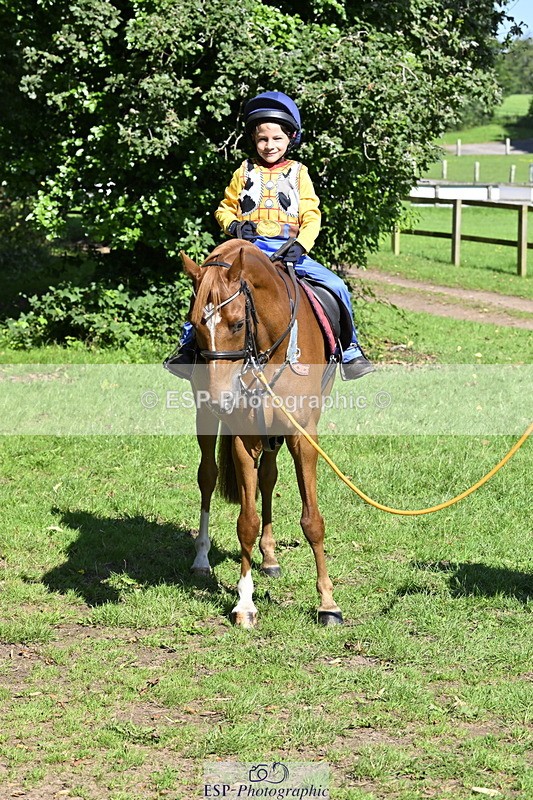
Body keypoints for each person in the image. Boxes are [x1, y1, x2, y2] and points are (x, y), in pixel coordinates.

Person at [168, 91, 373, 380]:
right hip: (246, 251)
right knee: (208, 287)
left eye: (277, 139)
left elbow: (312, 216)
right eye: (263, 139)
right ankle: (188, 347)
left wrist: (301, 245)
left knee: (336, 284)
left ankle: (350, 350)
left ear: (290, 138)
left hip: (288, 249)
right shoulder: (244, 172)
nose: (269, 145)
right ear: (254, 139)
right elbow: (224, 208)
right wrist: (235, 226)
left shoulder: (299, 173)